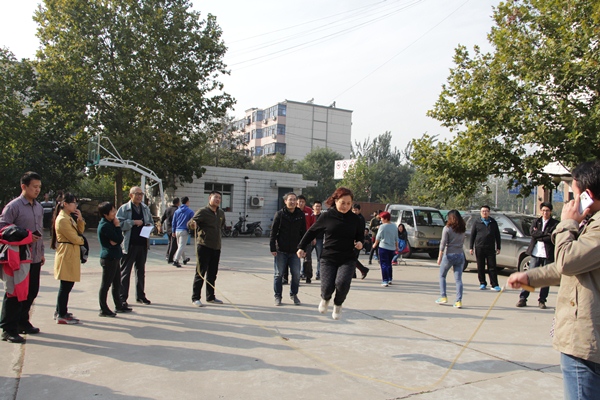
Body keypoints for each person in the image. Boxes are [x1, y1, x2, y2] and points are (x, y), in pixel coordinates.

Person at [508, 160, 600, 400]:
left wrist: (568, 222)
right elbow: (569, 267)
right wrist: (529, 277)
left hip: (586, 344)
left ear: (588, 195)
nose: (572, 202)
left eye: (574, 195)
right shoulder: (592, 223)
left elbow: (567, 260)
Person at [297, 187, 363, 320]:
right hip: (328, 258)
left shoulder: (355, 219)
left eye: (349, 203)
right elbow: (312, 231)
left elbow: (360, 236)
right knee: (327, 286)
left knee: (342, 283)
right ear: (336, 201)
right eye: (342, 203)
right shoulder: (327, 216)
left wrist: (360, 243)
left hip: (347, 258)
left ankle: (338, 304)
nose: (346, 206)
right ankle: (325, 298)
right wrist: (301, 247)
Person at [0, 172, 45, 342]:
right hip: (18, 258)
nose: (37, 190)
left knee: (31, 291)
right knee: (14, 292)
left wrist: (40, 252)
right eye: (34, 187)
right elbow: (3, 228)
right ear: (24, 187)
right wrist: (23, 235)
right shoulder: (13, 207)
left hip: (34, 257)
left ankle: (22, 322)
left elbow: (40, 231)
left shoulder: (39, 207)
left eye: (39, 187)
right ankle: (8, 329)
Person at [117, 187, 154, 309]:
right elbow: (118, 224)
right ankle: (122, 297)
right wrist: (132, 222)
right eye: (137, 194)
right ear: (130, 195)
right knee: (125, 272)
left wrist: (149, 226)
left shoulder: (145, 208)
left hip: (142, 244)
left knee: (141, 271)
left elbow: (152, 223)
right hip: (129, 244)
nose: (139, 196)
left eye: (141, 194)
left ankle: (140, 295)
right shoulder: (124, 209)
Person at [516, 202, 558, 309]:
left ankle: (542, 300)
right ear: (541, 211)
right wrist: (545, 234)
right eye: (543, 210)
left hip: (547, 254)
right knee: (530, 276)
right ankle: (523, 298)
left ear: (550, 212)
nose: (545, 213)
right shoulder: (536, 221)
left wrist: (539, 234)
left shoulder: (555, 224)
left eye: (547, 211)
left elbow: (552, 237)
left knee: (545, 278)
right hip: (535, 253)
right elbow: (532, 233)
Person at [51, 193, 85, 325]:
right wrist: (82, 241)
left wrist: (80, 219)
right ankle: (61, 313)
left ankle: (60, 310)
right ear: (65, 204)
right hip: (66, 253)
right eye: (73, 203)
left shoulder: (68, 217)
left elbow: (80, 231)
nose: (75, 205)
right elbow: (75, 238)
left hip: (71, 252)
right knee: (65, 285)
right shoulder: (62, 219)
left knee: (67, 284)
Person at [190, 191, 226, 307]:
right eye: (215, 197)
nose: (218, 200)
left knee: (212, 273)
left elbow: (221, 226)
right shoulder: (203, 211)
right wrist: (193, 225)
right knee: (200, 273)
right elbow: (191, 223)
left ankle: (210, 297)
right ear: (210, 198)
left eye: (219, 198)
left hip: (216, 247)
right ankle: (195, 298)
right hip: (204, 245)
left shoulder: (221, 213)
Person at [270, 192, 306, 306]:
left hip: (295, 251)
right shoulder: (280, 214)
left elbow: (304, 233)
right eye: (290, 199)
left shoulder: (300, 215)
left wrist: (303, 248)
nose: (293, 202)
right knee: (278, 274)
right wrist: (272, 247)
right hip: (281, 250)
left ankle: (294, 294)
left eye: (294, 200)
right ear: (285, 201)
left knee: (296, 275)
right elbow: (273, 232)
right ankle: (278, 296)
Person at [97, 202, 124, 317]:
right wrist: (117, 227)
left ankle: (119, 305)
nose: (114, 213)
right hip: (109, 258)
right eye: (112, 211)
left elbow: (116, 240)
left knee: (117, 283)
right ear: (105, 214)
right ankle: (103, 308)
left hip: (115, 257)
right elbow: (118, 239)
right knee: (106, 285)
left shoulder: (110, 223)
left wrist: (116, 239)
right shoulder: (105, 225)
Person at [436, 210, 466, 308]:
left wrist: (439, 257)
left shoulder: (447, 228)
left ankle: (443, 296)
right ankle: (458, 300)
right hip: (460, 254)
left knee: (442, 275)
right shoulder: (462, 228)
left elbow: (443, 243)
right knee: (458, 279)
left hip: (449, 254)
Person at [469, 205, 501, 291]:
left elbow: (497, 235)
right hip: (479, 247)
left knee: (492, 266)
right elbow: (472, 235)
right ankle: (482, 283)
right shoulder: (477, 222)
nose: (484, 212)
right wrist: (471, 247)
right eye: (483, 211)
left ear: (489, 212)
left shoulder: (493, 222)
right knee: (480, 266)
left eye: (486, 211)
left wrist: (498, 247)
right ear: (480, 212)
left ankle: (494, 284)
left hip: (490, 247)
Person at [373, 211, 397, 287]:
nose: (381, 220)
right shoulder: (394, 226)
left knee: (384, 264)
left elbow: (378, 237)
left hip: (383, 247)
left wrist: (375, 244)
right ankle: (390, 278)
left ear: (386, 219)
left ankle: (385, 280)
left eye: (382, 218)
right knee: (389, 263)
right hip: (392, 248)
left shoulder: (382, 226)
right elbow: (396, 238)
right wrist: (397, 247)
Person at [172, 196, 194, 268]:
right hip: (184, 230)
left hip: (177, 230)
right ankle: (176, 260)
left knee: (180, 246)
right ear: (187, 202)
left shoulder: (177, 211)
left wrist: (173, 231)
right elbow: (193, 221)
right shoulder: (190, 211)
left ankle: (184, 259)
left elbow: (174, 222)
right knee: (181, 246)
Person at [298, 195, 315, 283]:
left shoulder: (309, 211)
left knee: (307, 258)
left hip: (307, 238)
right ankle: (296, 276)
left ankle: (308, 276)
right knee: (295, 259)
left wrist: (313, 237)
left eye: (303, 201)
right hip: (296, 238)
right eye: (299, 201)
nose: (301, 203)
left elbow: (313, 225)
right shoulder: (293, 210)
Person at [351, 204, 369, 279]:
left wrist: (358, 241)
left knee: (352, 257)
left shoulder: (360, 218)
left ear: (359, 210)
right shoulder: (352, 217)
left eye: (356, 210)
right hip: (352, 239)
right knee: (352, 257)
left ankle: (363, 269)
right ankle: (353, 273)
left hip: (357, 241)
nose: (355, 212)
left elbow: (360, 231)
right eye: (353, 210)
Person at [160, 197, 179, 264]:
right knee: (174, 244)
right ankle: (170, 257)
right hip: (174, 229)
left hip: (168, 228)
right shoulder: (177, 210)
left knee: (170, 242)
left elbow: (163, 218)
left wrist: (160, 225)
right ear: (178, 203)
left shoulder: (168, 209)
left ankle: (168, 255)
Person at [313, 200, 324, 280]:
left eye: (319, 206)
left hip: (319, 239)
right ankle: (303, 273)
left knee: (319, 258)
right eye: (316, 206)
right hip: (310, 239)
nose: (317, 208)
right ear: (313, 207)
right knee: (306, 257)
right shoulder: (310, 216)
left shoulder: (323, 217)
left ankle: (319, 273)